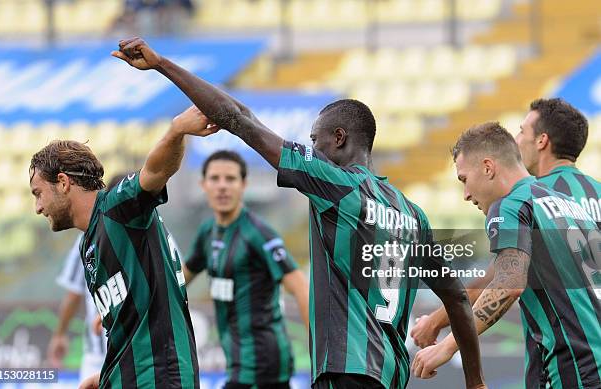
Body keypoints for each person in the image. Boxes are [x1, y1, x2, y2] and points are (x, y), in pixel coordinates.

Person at [112, 37, 487, 389]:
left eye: (315, 140)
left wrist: (163, 65)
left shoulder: (335, 184)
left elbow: (240, 119)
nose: (313, 147)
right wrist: (476, 382)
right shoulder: (412, 214)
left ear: (338, 138)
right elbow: (456, 298)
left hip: (345, 368)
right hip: (390, 375)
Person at [410, 98, 601, 387]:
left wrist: (446, 346)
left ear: (488, 167)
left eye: (464, 179)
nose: (465, 194)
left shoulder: (511, 205)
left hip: (572, 369)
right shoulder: (568, 204)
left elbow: (507, 282)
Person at [29, 107, 218, 389]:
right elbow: (126, 330)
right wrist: (105, 377)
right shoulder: (88, 244)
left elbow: (157, 170)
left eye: (38, 194)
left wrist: (176, 130)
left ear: (63, 182)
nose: (38, 207)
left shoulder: (118, 209)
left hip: (160, 380)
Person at [182, 150, 308, 389]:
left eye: (230, 179)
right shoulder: (208, 232)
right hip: (237, 361)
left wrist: (319, 349)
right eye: (215, 179)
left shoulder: (258, 233)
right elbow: (178, 282)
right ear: (203, 184)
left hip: (264, 362)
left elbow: (301, 287)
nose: (222, 187)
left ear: (244, 185)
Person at [47, 173, 127, 383]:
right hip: (99, 353)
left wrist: (60, 335)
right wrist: (60, 334)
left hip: (132, 354)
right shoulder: (86, 240)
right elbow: (74, 292)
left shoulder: (155, 237)